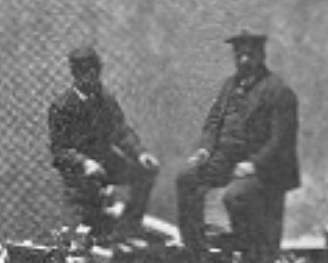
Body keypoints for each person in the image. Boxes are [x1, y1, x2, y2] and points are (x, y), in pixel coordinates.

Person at [175, 29, 299, 263]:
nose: (244, 60)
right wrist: (204, 150)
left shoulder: (278, 90)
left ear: (261, 56)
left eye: (250, 55)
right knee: (186, 178)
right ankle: (196, 251)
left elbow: (281, 140)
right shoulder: (228, 85)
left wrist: (254, 165)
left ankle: (249, 252)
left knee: (236, 196)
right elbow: (213, 122)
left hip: (263, 165)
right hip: (226, 159)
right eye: (239, 55)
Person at [48, 45, 158, 236]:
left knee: (145, 172)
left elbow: (121, 131)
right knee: (94, 201)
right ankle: (99, 234)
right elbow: (59, 150)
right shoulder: (61, 107)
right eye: (86, 73)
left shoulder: (105, 98)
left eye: (95, 72)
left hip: (105, 160)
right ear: (76, 75)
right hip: (77, 170)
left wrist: (140, 153)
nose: (92, 78)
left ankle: (129, 227)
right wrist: (84, 162)